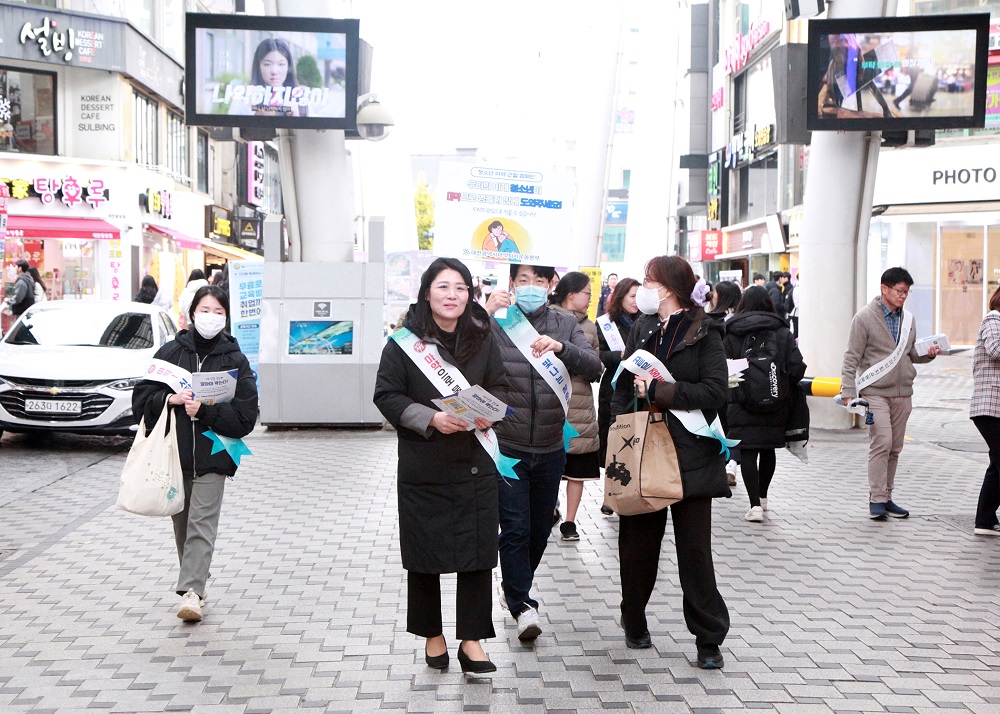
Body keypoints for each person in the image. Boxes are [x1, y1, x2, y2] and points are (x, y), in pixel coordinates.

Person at [373, 257, 506, 674]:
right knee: (425, 555)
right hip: (425, 462)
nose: (453, 295)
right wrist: (430, 418)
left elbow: (501, 385)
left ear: (471, 294)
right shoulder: (403, 342)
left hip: (475, 462)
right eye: (444, 287)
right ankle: (432, 635)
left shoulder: (483, 336)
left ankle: (472, 641)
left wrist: (490, 411)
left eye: (461, 288)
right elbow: (387, 395)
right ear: (427, 292)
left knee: (478, 553)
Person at [610, 255, 730, 668]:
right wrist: (616, 432)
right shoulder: (644, 329)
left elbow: (714, 391)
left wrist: (661, 391)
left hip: (691, 456)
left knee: (695, 553)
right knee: (637, 546)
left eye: (648, 281)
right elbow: (622, 385)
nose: (643, 288)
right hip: (642, 452)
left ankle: (708, 638)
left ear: (669, 288)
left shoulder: (705, 331)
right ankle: (634, 619)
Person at [485, 264, 601, 642]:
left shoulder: (566, 322)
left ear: (550, 285)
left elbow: (595, 366)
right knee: (515, 528)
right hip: (508, 444)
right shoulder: (498, 321)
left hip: (552, 445)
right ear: (511, 284)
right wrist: (484, 313)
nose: (531, 287)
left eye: (539, 281)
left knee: (537, 531)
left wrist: (562, 349)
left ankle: (514, 589)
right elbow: (462, 352)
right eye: (523, 281)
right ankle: (522, 604)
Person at [131, 285, 258, 623]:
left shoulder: (235, 360)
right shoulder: (170, 353)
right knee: (183, 526)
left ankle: (190, 592)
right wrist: (169, 400)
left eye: (218, 312)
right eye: (205, 310)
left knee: (202, 524)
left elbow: (246, 417)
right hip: (173, 457)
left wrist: (205, 411)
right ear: (191, 313)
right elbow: (140, 401)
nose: (211, 317)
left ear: (226, 316)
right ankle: (197, 579)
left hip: (216, 455)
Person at [840, 267, 941, 520]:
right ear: (884, 288)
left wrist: (927, 354)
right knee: (882, 442)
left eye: (906, 292)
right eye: (899, 291)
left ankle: (887, 496)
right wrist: (848, 391)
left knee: (895, 447)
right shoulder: (863, 318)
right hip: (875, 391)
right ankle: (876, 498)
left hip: (903, 393)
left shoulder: (908, 320)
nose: (903, 296)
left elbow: (910, 355)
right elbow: (851, 356)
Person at [723, 286, 806, 521]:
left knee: (748, 450)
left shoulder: (732, 331)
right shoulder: (781, 331)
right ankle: (764, 498)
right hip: (775, 401)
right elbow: (797, 366)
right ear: (769, 304)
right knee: (768, 448)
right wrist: (780, 383)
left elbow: (723, 365)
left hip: (741, 401)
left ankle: (754, 506)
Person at [548, 272, 602, 541]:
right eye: (587, 293)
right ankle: (550, 508)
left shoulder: (590, 327)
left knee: (577, 470)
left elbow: (597, 367)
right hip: (551, 405)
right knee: (548, 466)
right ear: (571, 294)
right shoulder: (545, 319)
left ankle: (570, 521)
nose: (590, 298)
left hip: (580, 406)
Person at [597, 277, 640, 468]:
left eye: (639, 296)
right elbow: (598, 354)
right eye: (632, 296)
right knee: (613, 438)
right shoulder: (607, 323)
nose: (636, 301)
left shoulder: (648, 322)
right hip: (613, 386)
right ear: (620, 297)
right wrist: (619, 355)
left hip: (639, 386)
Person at [705, 280, 742, 486]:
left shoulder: (719, 320)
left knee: (720, 422)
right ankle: (729, 463)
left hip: (722, 378)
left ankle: (725, 463)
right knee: (729, 424)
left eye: (716, 293)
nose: (712, 296)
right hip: (736, 379)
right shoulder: (738, 318)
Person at [971, 286, 1000, 537]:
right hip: (989, 405)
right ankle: (985, 519)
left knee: (996, 464)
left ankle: (985, 520)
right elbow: (995, 349)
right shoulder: (994, 319)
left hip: (996, 407)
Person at [229, 38, 305, 117]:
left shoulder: (301, 98)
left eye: (281, 64)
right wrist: (248, 110)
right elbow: (231, 127)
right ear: (258, 66)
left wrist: (296, 118)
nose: (274, 71)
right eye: (267, 64)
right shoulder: (243, 97)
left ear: (288, 66)